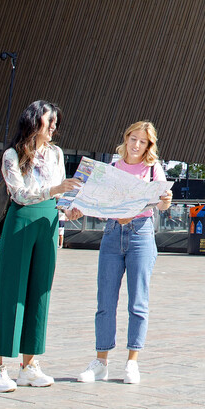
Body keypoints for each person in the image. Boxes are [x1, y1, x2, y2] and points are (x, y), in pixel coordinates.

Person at [0, 100, 81, 393]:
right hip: (21, 222)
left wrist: (69, 210)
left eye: (56, 123)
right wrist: (56, 190)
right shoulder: (12, 155)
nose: (54, 127)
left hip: (48, 223)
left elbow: (60, 195)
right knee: (9, 291)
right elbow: (21, 194)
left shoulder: (56, 154)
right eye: (49, 121)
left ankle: (29, 365)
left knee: (40, 293)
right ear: (34, 121)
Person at [71, 120, 173, 386]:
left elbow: (162, 204)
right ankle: (101, 362)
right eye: (133, 139)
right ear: (126, 138)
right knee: (105, 302)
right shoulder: (112, 168)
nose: (137, 145)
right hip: (112, 234)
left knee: (138, 302)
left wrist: (165, 200)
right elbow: (95, 199)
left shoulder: (153, 169)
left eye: (143, 141)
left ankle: (132, 362)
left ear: (149, 145)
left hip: (141, 234)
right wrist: (78, 207)